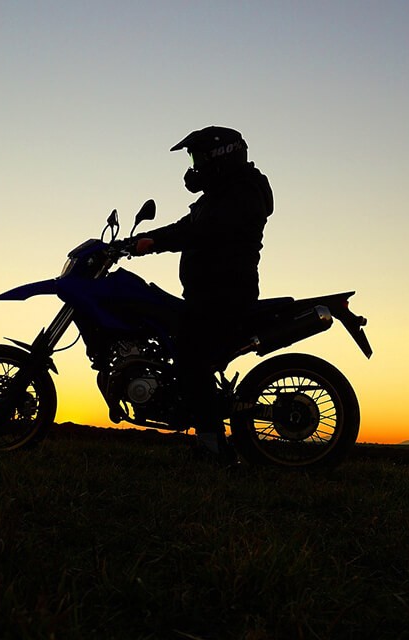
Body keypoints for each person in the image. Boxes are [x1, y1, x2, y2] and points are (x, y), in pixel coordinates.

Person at [134, 126, 274, 461]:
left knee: (189, 356)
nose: (194, 166)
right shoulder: (221, 194)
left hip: (224, 294)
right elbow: (188, 225)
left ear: (219, 156)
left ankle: (212, 443)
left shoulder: (242, 193)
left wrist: (157, 242)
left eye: (198, 157)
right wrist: (145, 241)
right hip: (207, 292)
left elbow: (201, 231)